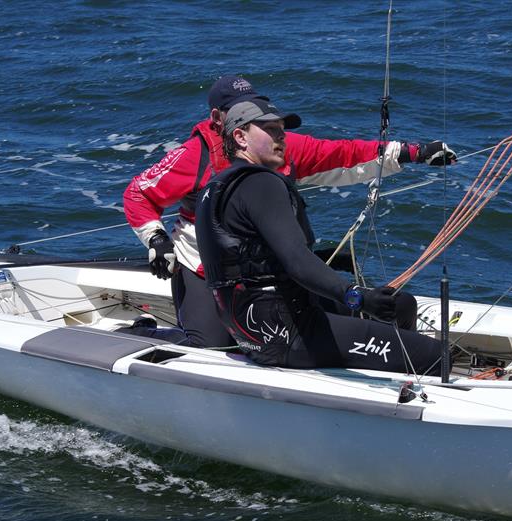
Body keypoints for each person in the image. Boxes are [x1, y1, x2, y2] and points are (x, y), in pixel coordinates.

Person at [123, 75, 456, 348]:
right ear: (218, 119)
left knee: (337, 319)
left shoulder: (277, 144)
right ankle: (144, 332)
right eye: (238, 109)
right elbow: (138, 192)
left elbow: (343, 154)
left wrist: (414, 152)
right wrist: (157, 240)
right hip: (203, 269)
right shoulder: (194, 155)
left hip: (270, 273)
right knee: (211, 344)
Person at [194, 98, 444, 374]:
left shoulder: (216, 187)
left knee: (400, 306)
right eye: (270, 129)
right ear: (240, 137)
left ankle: (382, 373)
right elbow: (296, 261)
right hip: (290, 331)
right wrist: (356, 297)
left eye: (282, 130)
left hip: (254, 328)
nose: (282, 137)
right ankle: (396, 395)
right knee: (435, 356)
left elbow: (251, 257)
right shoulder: (261, 183)